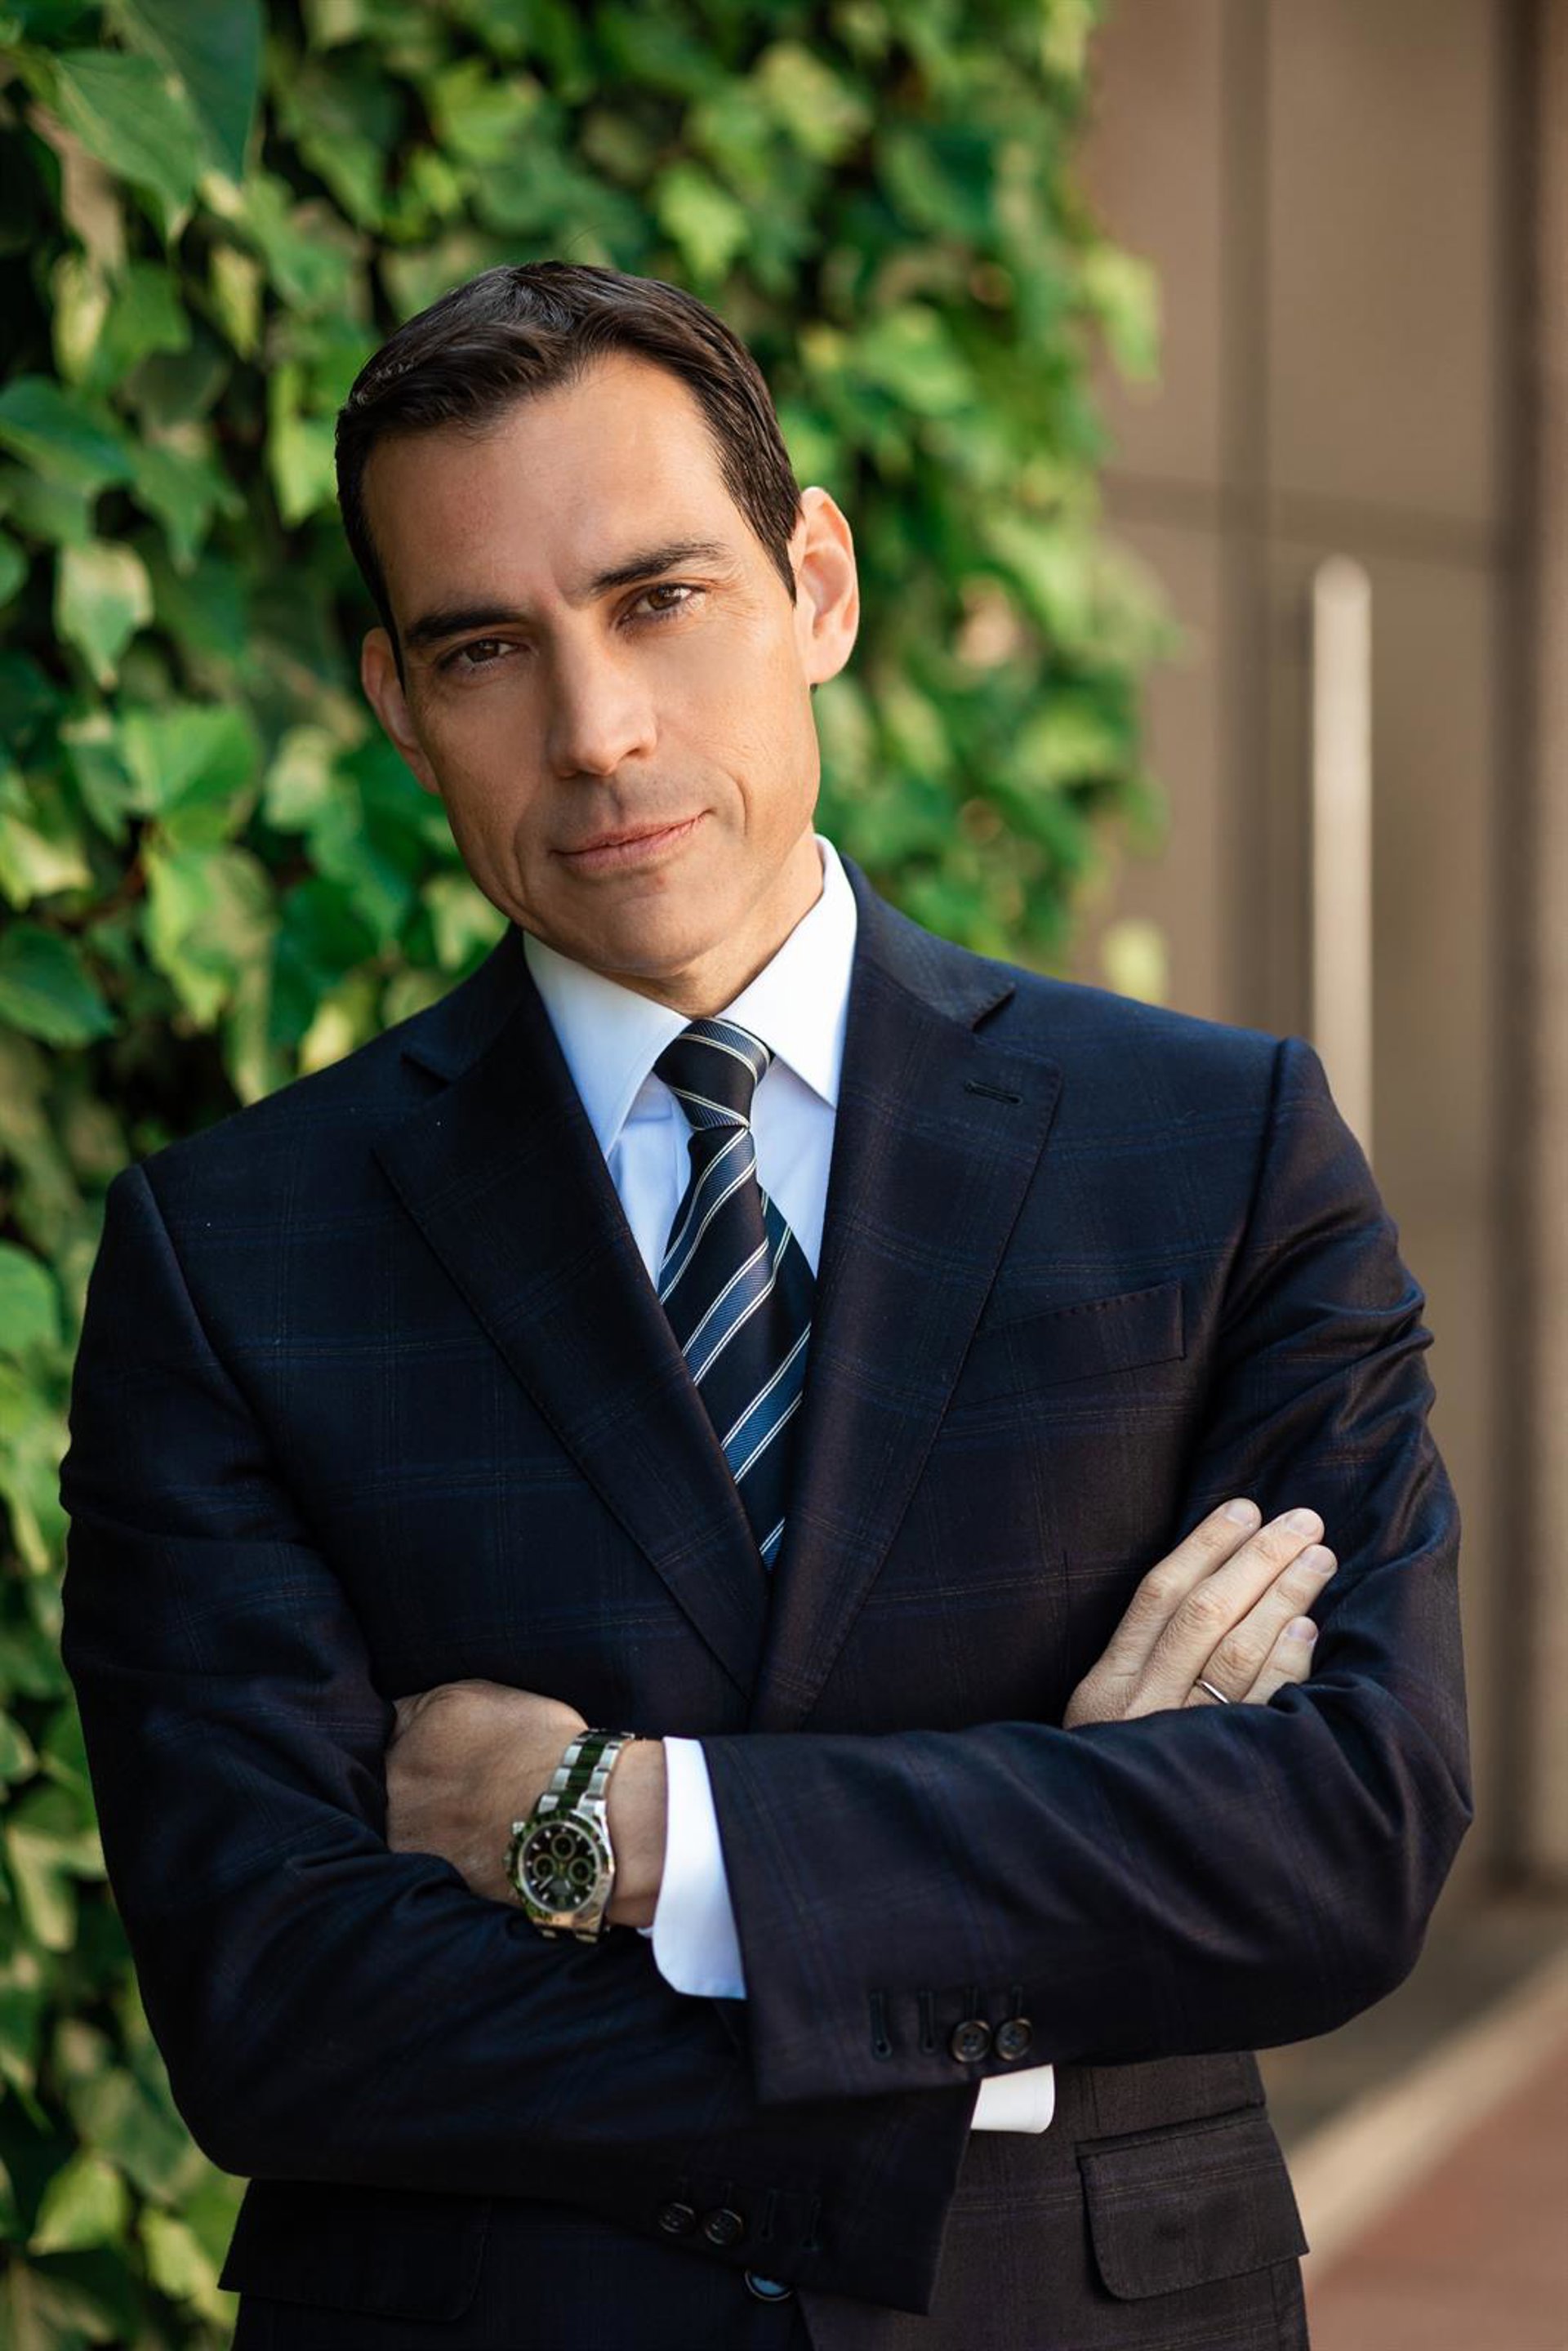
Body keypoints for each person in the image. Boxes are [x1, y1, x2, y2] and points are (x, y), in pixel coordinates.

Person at [56, 261, 1470, 2351]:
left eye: (661, 599)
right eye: (484, 648)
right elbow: (278, 2006)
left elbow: (1345, 1834)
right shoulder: (234, 1251)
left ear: (816, 583)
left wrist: (627, 1830)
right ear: (397, 702)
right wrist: (1009, 1988)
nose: (596, 731)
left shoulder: (1215, 1148)